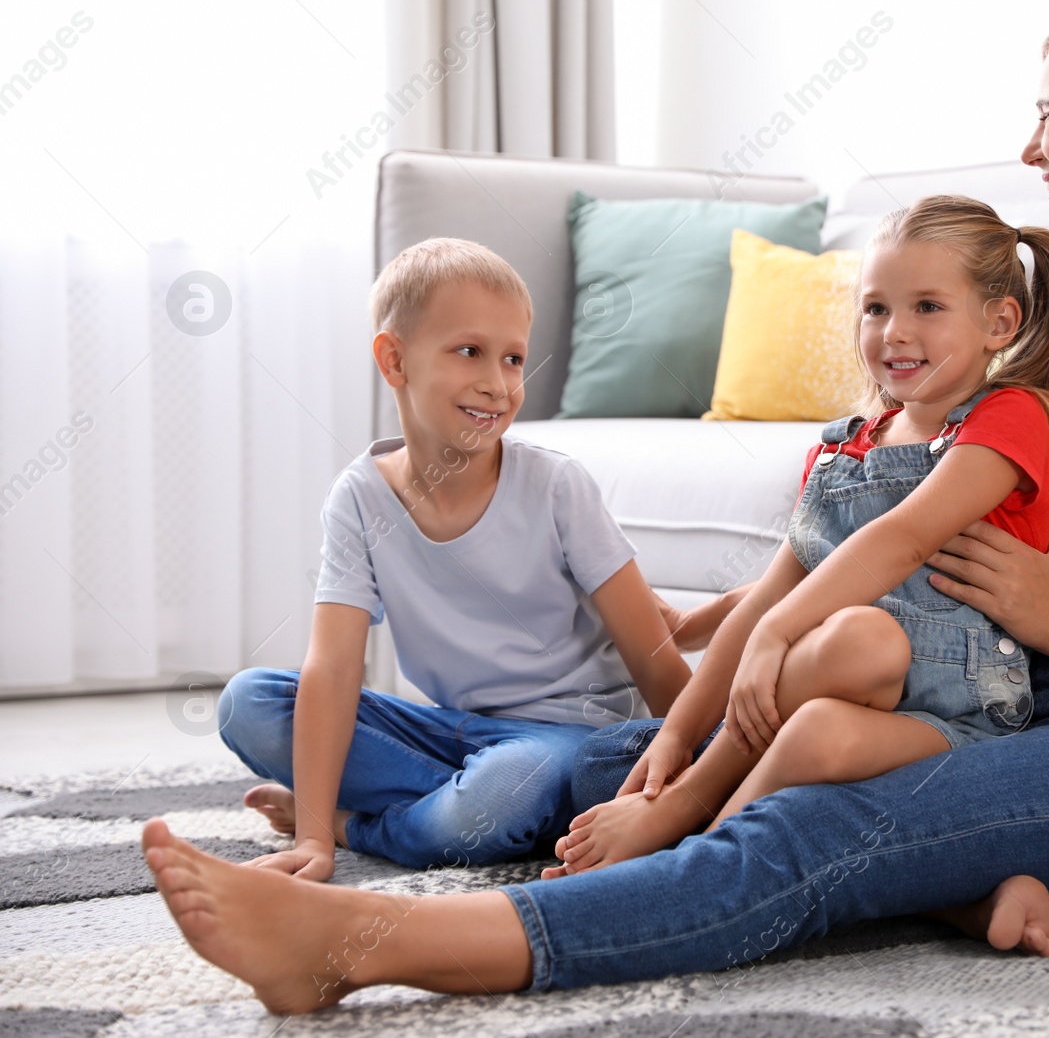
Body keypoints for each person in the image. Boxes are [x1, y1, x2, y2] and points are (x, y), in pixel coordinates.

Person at [142, 0, 1049, 1014]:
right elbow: (920, 494)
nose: (1029, 148)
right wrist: (763, 607)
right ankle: (957, 885)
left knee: (802, 825)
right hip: (995, 688)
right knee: (620, 767)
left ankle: (368, 943)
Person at [543, 196, 1049, 877]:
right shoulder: (842, 451)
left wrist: (773, 636)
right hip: (845, 695)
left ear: (999, 322)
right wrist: (675, 733)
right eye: (876, 307)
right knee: (835, 679)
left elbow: (903, 539)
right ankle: (704, 851)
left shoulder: (1012, 418)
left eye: (927, 307)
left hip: (961, 718)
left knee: (862, 639)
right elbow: (779, 588)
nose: (894, 332)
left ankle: (684, 815)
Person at [215, 237, 697, 879]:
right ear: (395, 359)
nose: (497, 385)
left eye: (514, 359)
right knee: (249, 703)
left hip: (566, 741)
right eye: (469, 351)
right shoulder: (358, 498)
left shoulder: (557, 487)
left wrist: (703, 777)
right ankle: (440, 812)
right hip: (451, 732)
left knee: (509, 787)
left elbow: (654, 658)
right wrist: (308, 846)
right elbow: (332, 668)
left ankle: (360, 823)